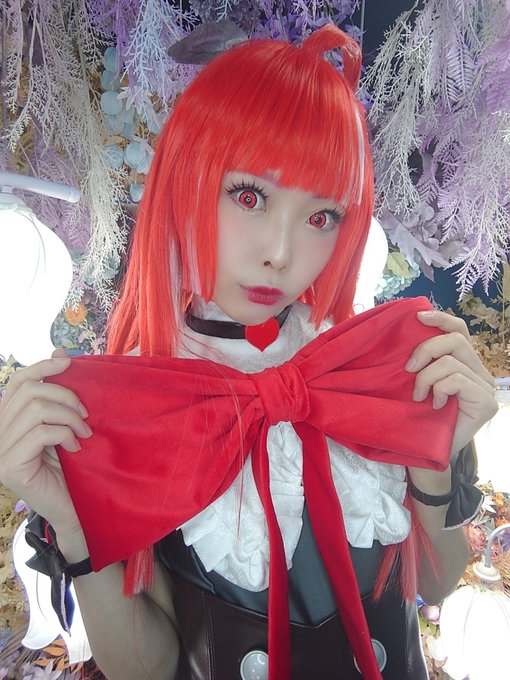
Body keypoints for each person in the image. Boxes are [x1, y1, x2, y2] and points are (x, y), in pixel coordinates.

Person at [0, 24, 497, 680]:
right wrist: (72, 524)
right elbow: (150, 670)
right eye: (250, 196)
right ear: (185, 180)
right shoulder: (132, 406)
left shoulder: (373, 366)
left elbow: (433, 585)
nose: (281, 254)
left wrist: (438, 454)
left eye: (321, 216)